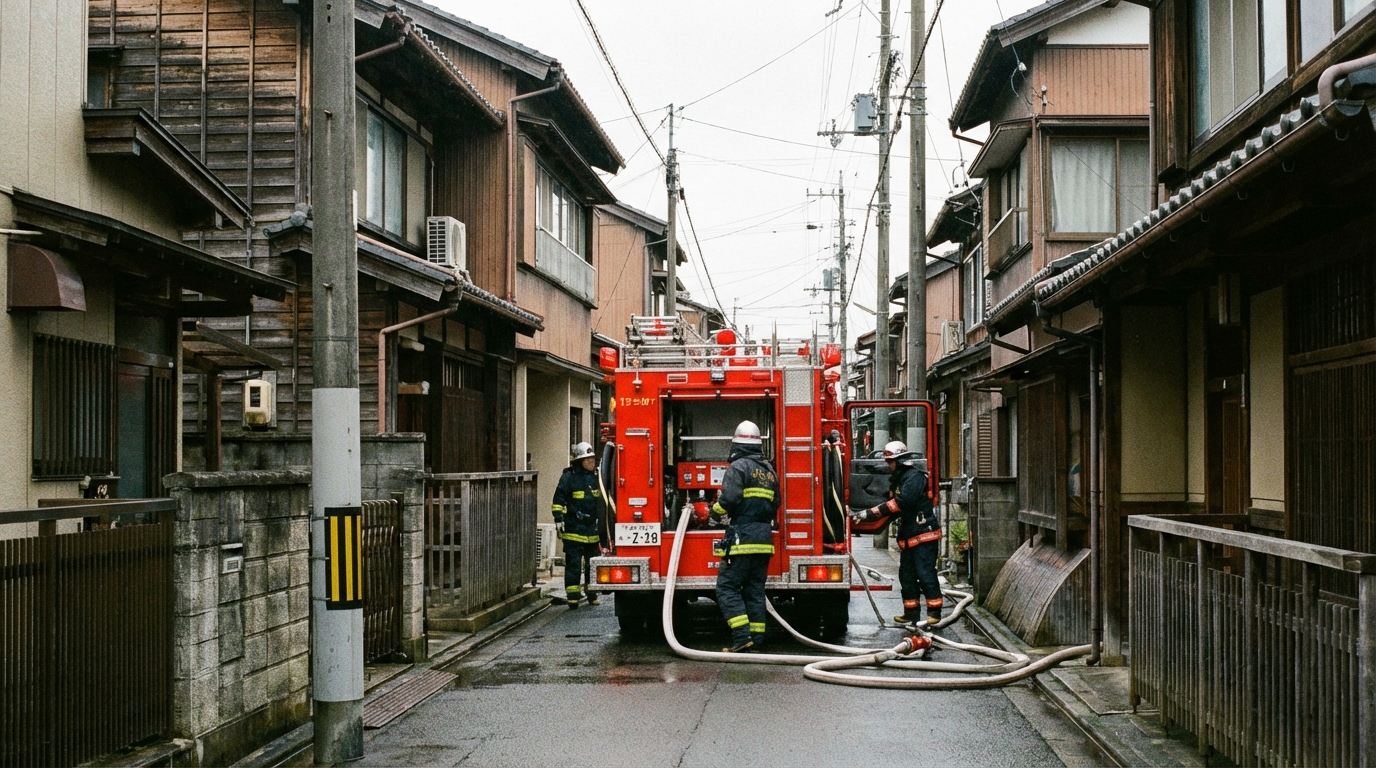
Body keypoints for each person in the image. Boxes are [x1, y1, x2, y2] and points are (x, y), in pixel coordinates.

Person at [852, 440, 944, 626]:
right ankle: (911, 614)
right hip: (910, 536)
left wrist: (869, 514)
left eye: (890, 461)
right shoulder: (901, 479)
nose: (888, 465)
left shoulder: (915, 477)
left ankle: (934, 614)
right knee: (907, 576)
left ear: (900, 461)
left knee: (926, 575)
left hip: (924, 535)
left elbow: (902, 502)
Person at [711, 420, 779, 652]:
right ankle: (757, 639)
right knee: (754, 590)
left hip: (742, 539)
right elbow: (776, 503)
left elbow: (729, 499)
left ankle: (741, 638)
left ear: (737, 444)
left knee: (727, 588)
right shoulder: (770, 471)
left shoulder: (738, 467)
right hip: (764, 539)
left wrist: (713, 512)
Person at [552, 442, 603, 609]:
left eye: (592, 459)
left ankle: (591, 594)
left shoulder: (597, 478)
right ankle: (572, 597)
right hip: (573, 529)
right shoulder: (568, 477)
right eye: (587, 459)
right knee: (573, 563)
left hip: (592, 530)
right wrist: (558, 518)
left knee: (591, 564)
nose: (591, 462)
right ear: (579, 461)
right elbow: (558, 499)